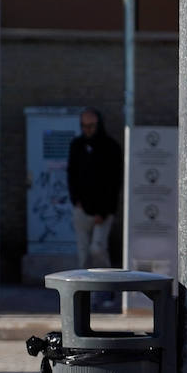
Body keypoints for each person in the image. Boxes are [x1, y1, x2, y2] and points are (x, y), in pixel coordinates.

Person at [67, 108, 122, 307]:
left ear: (98, 125)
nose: (87, 130)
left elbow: (113, 182)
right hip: (82, 209)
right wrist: (76, 201)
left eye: (91, 126)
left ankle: (106, 291)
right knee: (83, 254)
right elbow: (71, 174)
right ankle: (83, 296)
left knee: (98, 248)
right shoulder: (77, 145)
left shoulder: (110, 147)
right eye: (84, 126)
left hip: (103, 212)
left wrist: (105, 211)